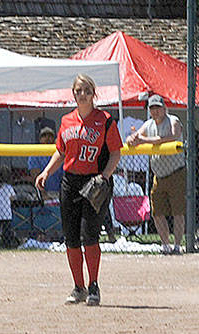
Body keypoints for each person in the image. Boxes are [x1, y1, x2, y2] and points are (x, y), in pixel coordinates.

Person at [36, 73, 122, 307]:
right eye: (78, 91)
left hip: (94, 182)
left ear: (94, 93)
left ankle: (93, 285)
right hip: (70, 183)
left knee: (89, 235)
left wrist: (104, 176)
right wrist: (46, 172)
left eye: (86, 90)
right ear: (73, 94)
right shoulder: (66, 121)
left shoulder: (105, 121)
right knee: (71, 237)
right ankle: (79, 287)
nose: (82, 94)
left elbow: (115, 152)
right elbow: (61, 152)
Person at [127, 93, 186, 254]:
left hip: (176, 172)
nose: (155, 111)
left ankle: (177, 246)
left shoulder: (173, 120)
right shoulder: (148, 125)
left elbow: (172, 137)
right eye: (152, 108)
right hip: (158, 175)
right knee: (157, 212)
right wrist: (132, 138)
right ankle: (165, 245)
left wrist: (144, 141)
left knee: (178, 212)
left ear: (164, 108)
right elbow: (135, 136)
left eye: (158, 108)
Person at [27, 127, 62, 205]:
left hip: (58, 193)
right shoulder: (35, 154)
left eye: (50, 135)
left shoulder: (59, 154)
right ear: (40, 139)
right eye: (44, 135)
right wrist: (43, 194)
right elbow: (35, 174)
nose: (47, 138)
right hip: (42, 193)